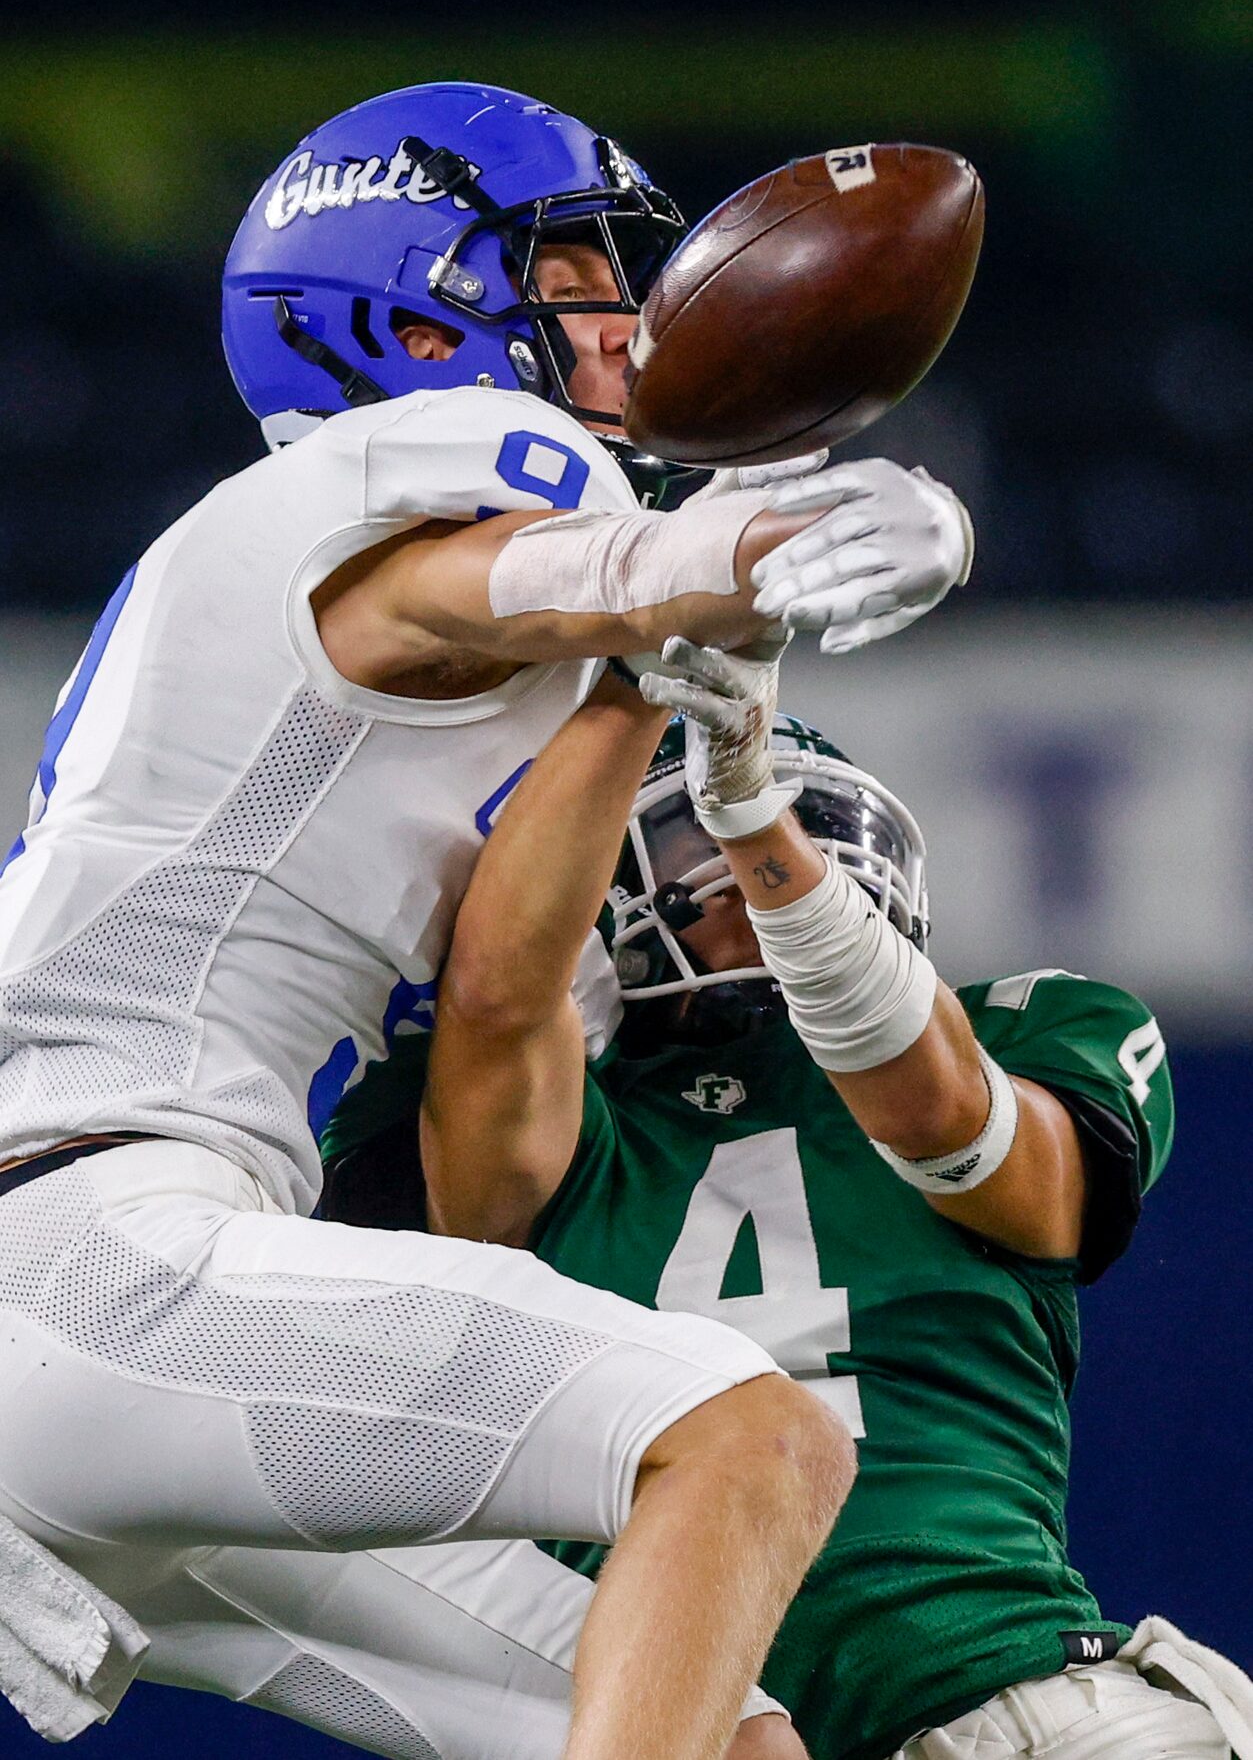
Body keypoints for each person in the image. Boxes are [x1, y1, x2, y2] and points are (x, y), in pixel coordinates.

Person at [0, 72, 1007, 1757]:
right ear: (403, 310)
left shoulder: (326, 591)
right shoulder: (445, 461)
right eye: (572, 276)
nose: (634, 320)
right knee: (746, 1438)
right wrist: (781, 535)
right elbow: (514, 578)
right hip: (88, 1248)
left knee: (722, 1730)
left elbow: (498, 991)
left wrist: (687, 669)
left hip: (124, 1289)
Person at [320, 641, 1253, 1760]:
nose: (769, 869)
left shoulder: (1021, 1030)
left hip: (1029, 1710)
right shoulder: (557, 1126)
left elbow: (952, 1131)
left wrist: (755, 821)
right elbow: (495, 1005)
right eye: (697, 845)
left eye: (815, 836)